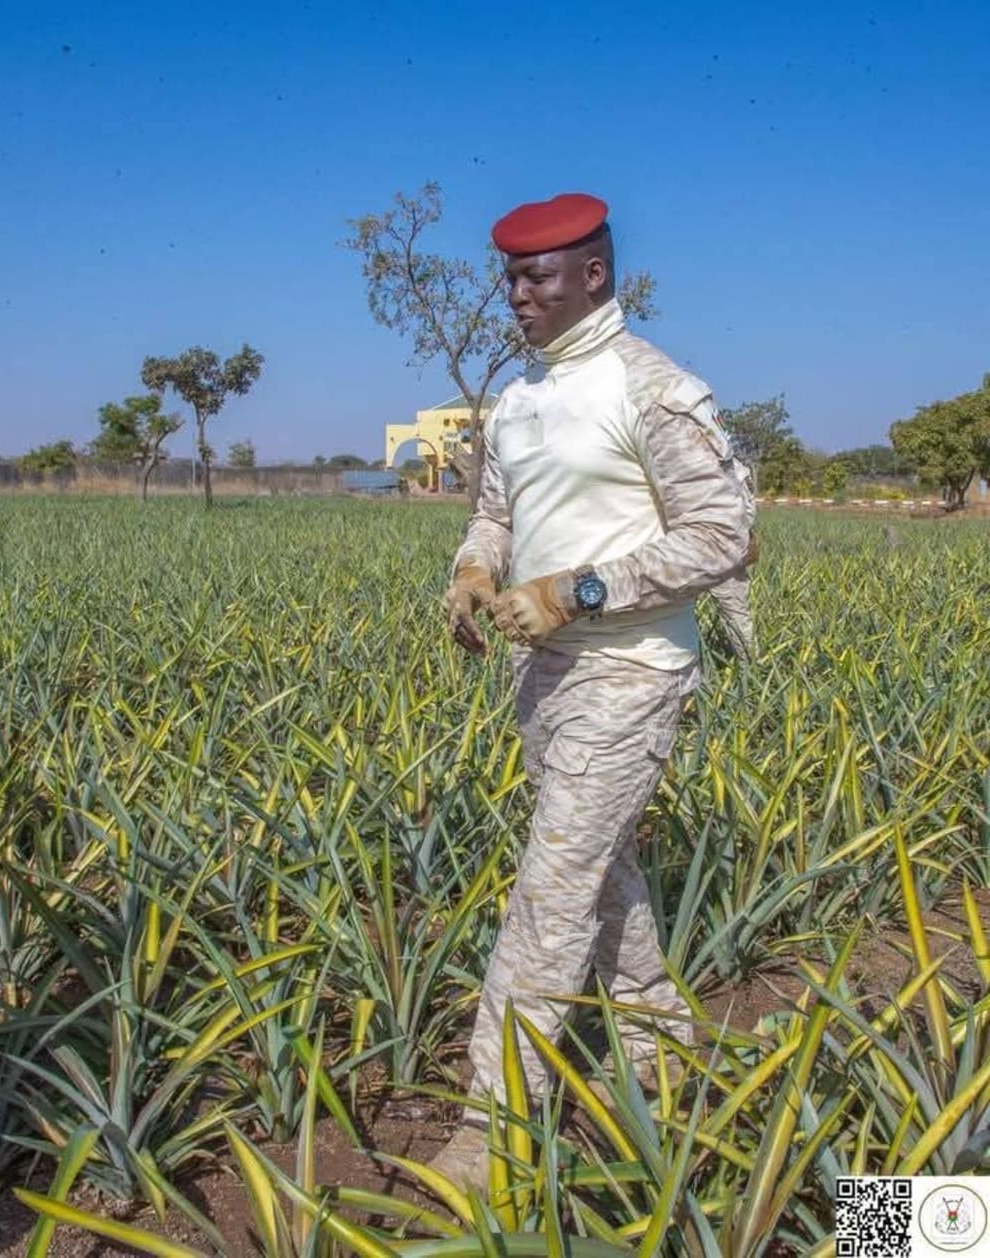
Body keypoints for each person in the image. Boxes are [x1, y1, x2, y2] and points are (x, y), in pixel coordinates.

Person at [434, 192, 750, 1188]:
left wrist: (577, 592)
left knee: (553, 888)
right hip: (542, 672)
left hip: (630, 668)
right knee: (599, 871)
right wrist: (474, 571)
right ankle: (658, 1046)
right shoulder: (520, 397)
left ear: (594, 276)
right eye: (510, 278)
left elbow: (722, 536)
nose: (515, 295)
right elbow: (497, 510)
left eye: (536, 277)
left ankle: (493, 1125)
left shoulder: (653, 388)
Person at [706, 455, 759, 661]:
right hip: (686, 548)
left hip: (722, 551)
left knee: (735, 614)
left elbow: (747, 514)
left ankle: (751, 668)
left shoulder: (730, 467)